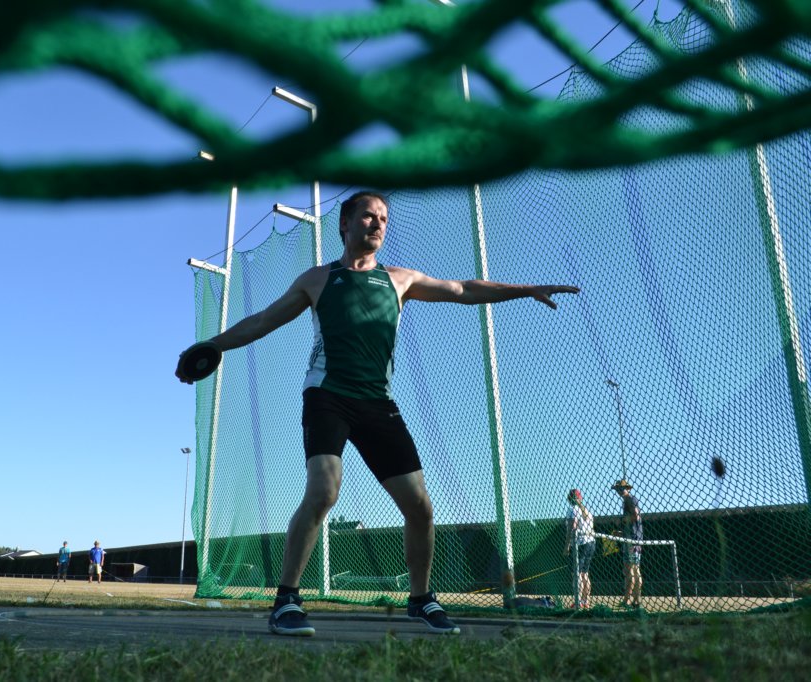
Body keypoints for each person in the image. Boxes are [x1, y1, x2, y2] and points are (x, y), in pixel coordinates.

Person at [177, 190, 579, 637]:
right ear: (345, 224)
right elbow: (263, 320)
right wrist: (213, 345)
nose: (378, 224)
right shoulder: (318, 280)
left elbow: (463, 289)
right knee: (324, 491)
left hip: (377, 403)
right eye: (369, 216)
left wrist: (524, 290)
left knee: (420, 506)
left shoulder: (401, 280)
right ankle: (287, 600)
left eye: (384, 218)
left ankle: (421, 599)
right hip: (327, 396)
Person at [613, 479, 643, 608]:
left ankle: (628, 600)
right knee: (631, 569)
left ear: (628, 489)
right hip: (630, 539)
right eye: (618, 489)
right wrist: (621, 533)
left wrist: (622, 520)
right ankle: (635, 600)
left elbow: (636, 516)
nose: (619, 491)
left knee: (632, 570)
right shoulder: (626, 501)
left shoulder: (630, 499)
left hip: (633, 541)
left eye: (622, 488)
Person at [563, 489, 595, 609]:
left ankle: (578, 602)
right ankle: (585, 601)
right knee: (584, 573)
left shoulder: (572, 509)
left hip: (580, 544)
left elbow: (572, 527)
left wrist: (567, 546)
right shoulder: (586, 510)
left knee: (576, 574)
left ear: (569, 499)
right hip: (590, 542)